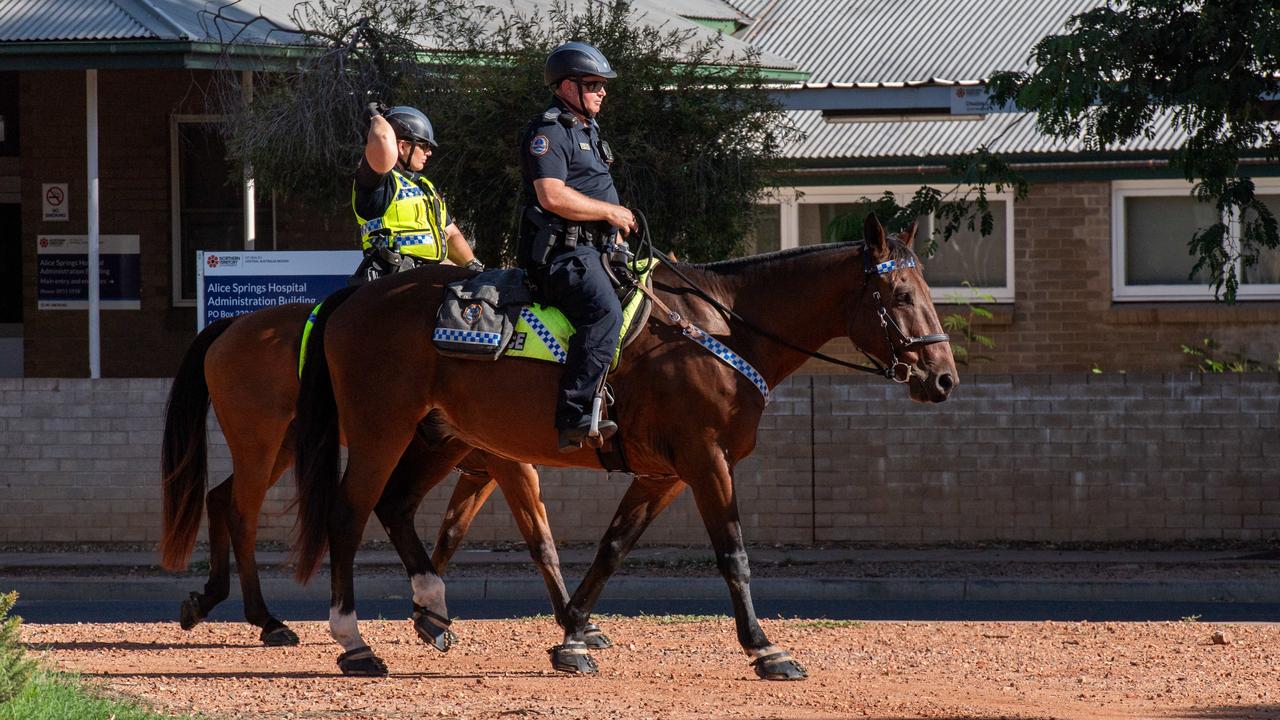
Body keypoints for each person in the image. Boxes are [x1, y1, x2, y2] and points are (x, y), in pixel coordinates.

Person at [517, 41, 638, 452]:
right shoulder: (549, 131)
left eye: (603, 85)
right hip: (562, 257)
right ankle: (575, 415)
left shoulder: (586, 129)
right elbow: (551, 196)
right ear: (567, 86)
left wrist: (615, 229)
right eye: (594, 84)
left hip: (596, 253)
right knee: (604, 312)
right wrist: (611, 212)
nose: (603, 91)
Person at [352, 104, 483, 282]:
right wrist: (374, 116)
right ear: (402, 146)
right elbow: (382, 138)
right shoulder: (378, 181)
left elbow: (451, 233)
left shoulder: (424, 186)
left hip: (429, 275)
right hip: (389, 277)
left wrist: (473, 266)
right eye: (423, 145)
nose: (429, 152)